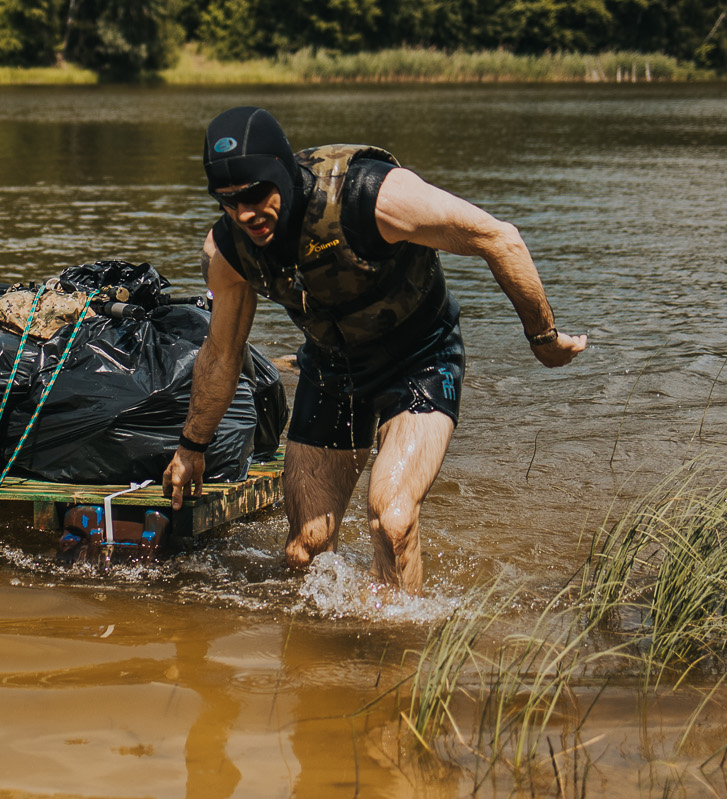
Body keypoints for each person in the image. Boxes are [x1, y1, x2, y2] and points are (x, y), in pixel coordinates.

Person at [162, 107, 587, 594]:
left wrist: (544, 339)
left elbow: (499, 238)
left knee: (392, 520)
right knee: (305, 550)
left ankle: (399, 652)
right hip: (331, 369)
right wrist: (191, 446)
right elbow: (221, 354)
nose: (245, 214)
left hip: (419, 358)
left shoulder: (371, 196)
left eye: (257, 194)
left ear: (281, 170)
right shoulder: (228, 251)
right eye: (228, 201)